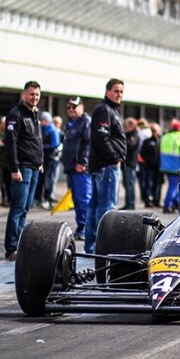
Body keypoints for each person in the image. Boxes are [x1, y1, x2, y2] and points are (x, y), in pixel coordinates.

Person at [85, 78, 126, 254]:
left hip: (102, 166)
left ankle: (93, 247)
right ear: (107, 91)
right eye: (116, 91)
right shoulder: (104, 110)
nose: (119, 95)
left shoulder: (110, 110)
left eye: (122, 92)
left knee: (95, 206)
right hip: (106, 166)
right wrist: (114, 158)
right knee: (106, 208)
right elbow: (101, 138)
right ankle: (102, 248)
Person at [3, 81, 43, 261]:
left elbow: (35, 140)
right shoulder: (15, 114)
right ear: (24, 94)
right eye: (31, 94)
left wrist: (40, 162)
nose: (34, 97)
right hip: (22, 169)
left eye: (37, 94)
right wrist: (14, 168)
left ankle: (20, 243)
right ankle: (11, 249)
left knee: (25, 208)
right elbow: (10, 144)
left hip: (34, 167)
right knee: (17, 209)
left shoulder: (34, 114)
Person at [61, 96, 91, 240]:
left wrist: (83, 162)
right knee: (76, 199)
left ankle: (85, 228)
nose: (71, 110)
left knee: (83, 198)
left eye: (74, 106)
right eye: (69, 107)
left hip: (81, 169)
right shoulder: (72, 123)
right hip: (71, 167)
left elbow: (88, 143)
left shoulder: (85, 122)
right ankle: (81, 226)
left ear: (82, 107)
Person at [160, 119, 180, 213]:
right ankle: (167, 205)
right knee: (174, 187)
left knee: (173, 186)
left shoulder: (165, 137)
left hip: (166, 166)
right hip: (177, 166)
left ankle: (175, 204)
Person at [38, 111, 61, 209]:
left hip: (50, 159)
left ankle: (47, 199)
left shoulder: (52, 130)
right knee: (40, 180)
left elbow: (54, 145)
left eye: (43, 120)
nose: (41, 122)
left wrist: (41, 146)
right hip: (42, 159)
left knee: (48, 180)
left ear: (47, 121)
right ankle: (39, 199)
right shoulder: (41, 129)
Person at [120, 117, 139, 210]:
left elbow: (131, 146)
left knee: (130, 185)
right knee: (126, 184)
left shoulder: (134, 135)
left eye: (126, 126)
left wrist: (123, 139)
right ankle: (127, 203)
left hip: (130, 163)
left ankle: (131, 204)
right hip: (125, 163)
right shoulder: (128, 135)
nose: (124, 128)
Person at [140, 123, 161, 207]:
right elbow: (142, 154)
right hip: (149, 166)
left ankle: (156, 201)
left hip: (159, 167)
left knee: (158, 184)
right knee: (149, 184)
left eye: (155, 130)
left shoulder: (161, 141)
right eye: (152, 130)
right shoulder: (147, 141)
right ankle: (148, 201)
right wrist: (148, 161)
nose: (154, 132)